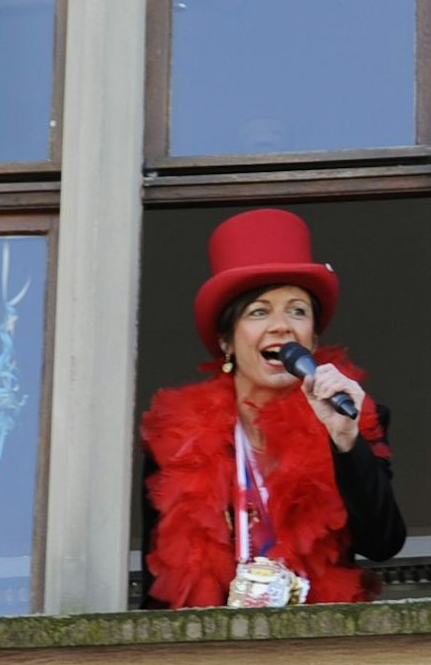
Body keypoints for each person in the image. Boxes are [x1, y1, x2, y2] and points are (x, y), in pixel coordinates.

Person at [139, 208, 406, 609]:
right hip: (214, 657)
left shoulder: (352, 414)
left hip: (318, 648)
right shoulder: (175, 438)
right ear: (227, 341)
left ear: (312, 339)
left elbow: (382, 543)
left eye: (297, 310)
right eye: (259, 311)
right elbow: (157, 587)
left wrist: (346, 441)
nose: (282, 325)